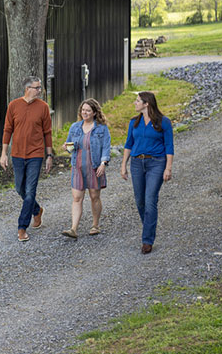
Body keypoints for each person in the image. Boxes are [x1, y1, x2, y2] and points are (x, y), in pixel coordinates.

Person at [0, 76, 54, 242]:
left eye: (40, 87)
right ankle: (36, 210)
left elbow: (47, 133)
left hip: (35, 155)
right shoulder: (13, 105)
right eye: (37, 88)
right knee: (19, 188)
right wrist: (3, 154)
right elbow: (7, 130)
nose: (40, 90)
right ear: (27, 89)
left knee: (30, 191)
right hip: (17, 154)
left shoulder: (43, 107)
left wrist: (49, 155)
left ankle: (22, 227)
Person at [120, 91, 174, 254]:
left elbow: (169, 146)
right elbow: (128, 144)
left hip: (156, 163)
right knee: (140, 201)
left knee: (150, 200)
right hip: (137, 163)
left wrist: (168, 168)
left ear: (146, 104)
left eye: (137, 101)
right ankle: (149, 227)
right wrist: (123, 165)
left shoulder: (163, 122)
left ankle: (147, 240)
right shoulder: (134, 122)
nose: (135, 103)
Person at [60, 99, 111, 240]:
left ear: (94, 112)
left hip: (94, 167)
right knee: (77, 197)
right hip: (78, 167)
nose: (85, 113)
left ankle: (95, 225)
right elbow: (71, 146)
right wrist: (67, 147)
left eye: (88, 110)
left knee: (94, 196)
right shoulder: (75, 127)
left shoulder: (101, 128)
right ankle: (73, 229)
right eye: (83, 110)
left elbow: (106, 147)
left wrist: (103, 163)